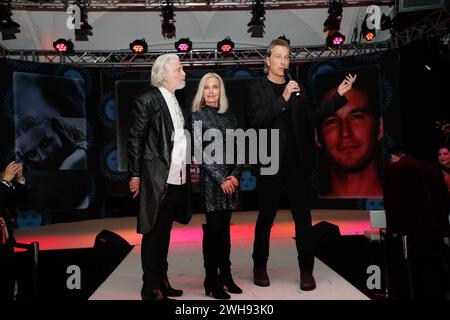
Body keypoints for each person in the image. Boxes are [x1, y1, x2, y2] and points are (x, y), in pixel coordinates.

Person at [246, 38, 354, 291]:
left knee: (303, 220)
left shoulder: (299, 89)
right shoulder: (256, 89)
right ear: (267, 60)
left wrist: (338, 96)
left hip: (297, 165)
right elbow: (256, 121)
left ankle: (307, 270)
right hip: (270, 164)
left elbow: (313, 117)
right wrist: (282, 98)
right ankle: (259, 266)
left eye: (287, 57)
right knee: (266, 219)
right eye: (279, 57)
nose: (284, 62)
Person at [127, 53, 192, 300]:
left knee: (164, 234)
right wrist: (134, 174)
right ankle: (149, 286)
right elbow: (135, 138)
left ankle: (162, 280)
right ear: (164, 74)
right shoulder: (147, 101)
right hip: (156, 178)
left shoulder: (176, 101)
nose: (184, 73)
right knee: (153, 234)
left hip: (176, 179)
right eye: (179, 69)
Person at [192, 73, 242, 299]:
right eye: (207, 88)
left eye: (215, 87)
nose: (211, 91)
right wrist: (220, 179)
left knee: (225, 233)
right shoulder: (197, 117)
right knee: (213, 232)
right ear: (201, 92)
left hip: (230, 183)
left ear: (221, 91)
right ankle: (211, 279)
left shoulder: (230, 116)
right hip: (212, 184)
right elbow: (200, 154)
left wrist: (234, 175)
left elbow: (239, 149)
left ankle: (226, 276)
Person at [383, 147, 449, 299]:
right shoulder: (431, 168)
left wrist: (392, 229)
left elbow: (392, 203)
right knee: (434, 271)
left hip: (410, 231)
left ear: (394, 156)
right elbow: (444, 198)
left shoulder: (393, 170)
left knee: (413, 273)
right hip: (435, 230)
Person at [315, 71, 383, 198]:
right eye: (332, 121)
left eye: (356, 117)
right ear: (317, 137)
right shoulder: (311, 212)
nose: (345, 132)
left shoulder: (400, 202)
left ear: (380, 127)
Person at [15, 115, 87, 171]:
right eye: (32, 154)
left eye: (45, 144)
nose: (44, 156)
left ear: (59, 130)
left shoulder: (81, 155)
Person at [0, 160, 27, 300]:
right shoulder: (3, 185)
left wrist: (20, 179)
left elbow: (18, 202)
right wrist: (4, 182)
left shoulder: (4, 187)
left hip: (7, 240)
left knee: (9, 277)